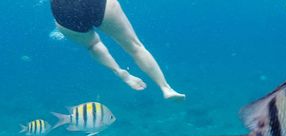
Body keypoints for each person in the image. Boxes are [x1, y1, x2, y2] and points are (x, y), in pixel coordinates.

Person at [50, 0, 185, 100]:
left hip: (63, 10)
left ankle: (119, 71)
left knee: (93, 45)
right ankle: (165, 88)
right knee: (135, 47)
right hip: (96, 3)